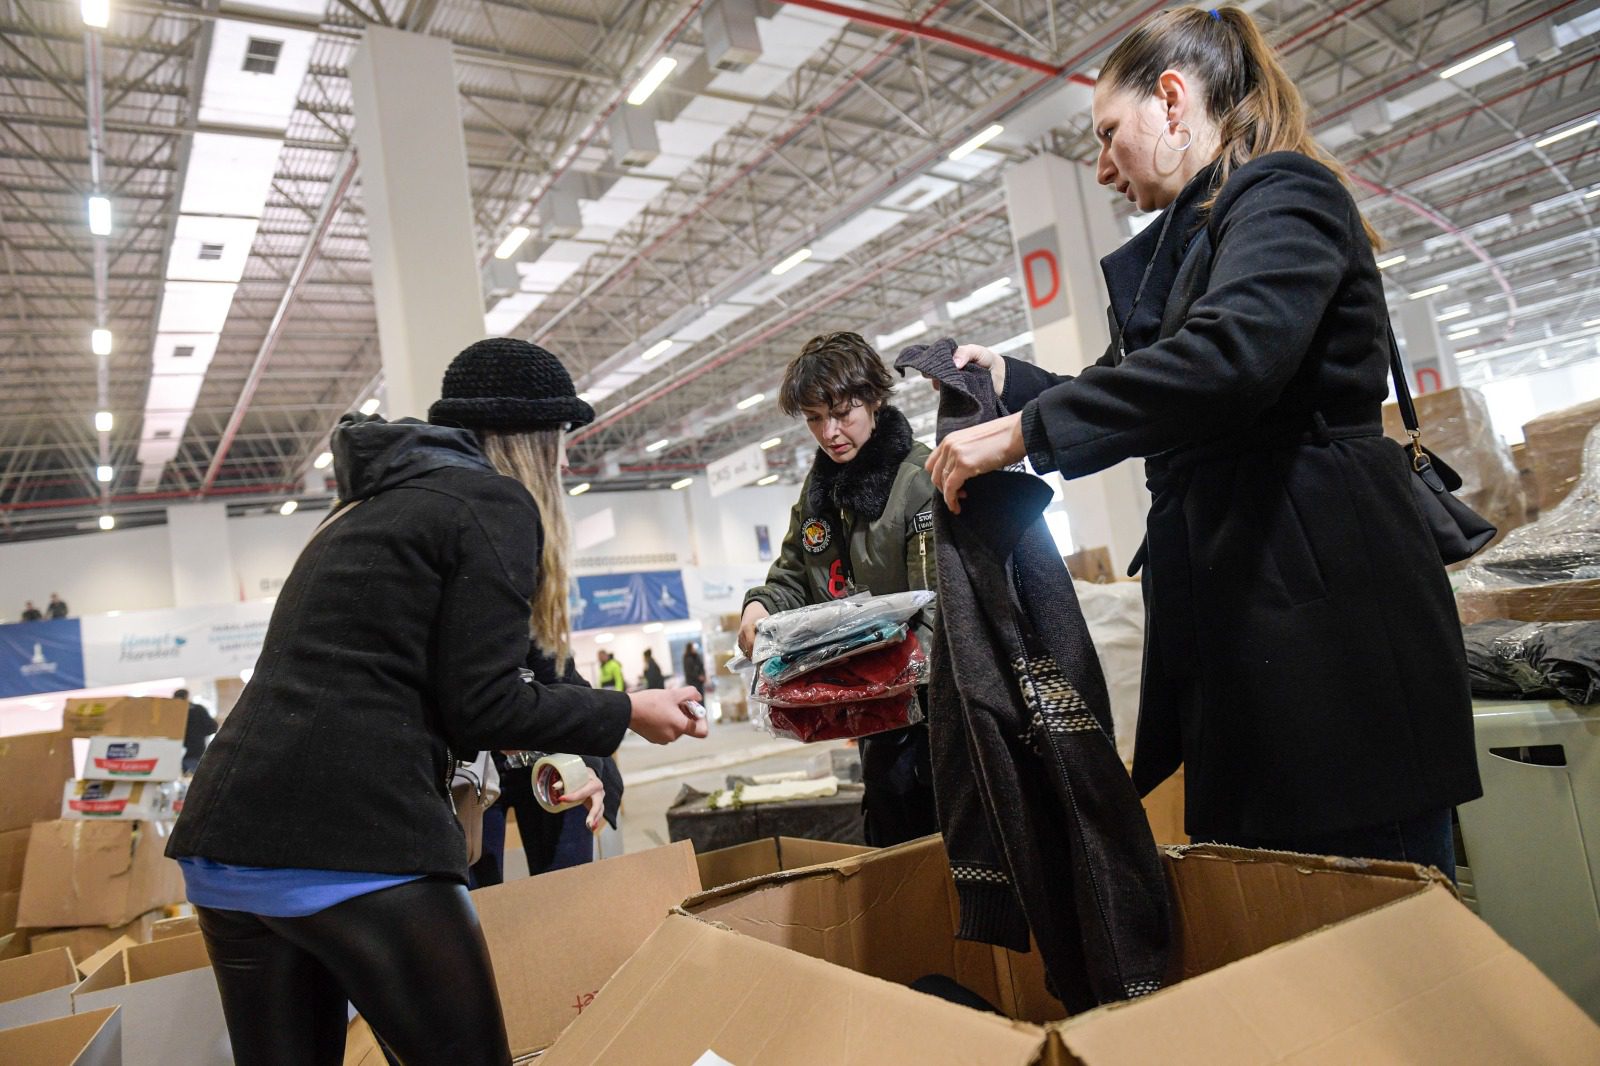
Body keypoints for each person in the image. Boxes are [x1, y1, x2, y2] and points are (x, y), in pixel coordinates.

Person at [923, 5, 1480, 877]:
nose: (1103, 168)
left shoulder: (1287, 192)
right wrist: (1012, 382)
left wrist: (1027, 434)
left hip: (1327, 634)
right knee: (1278, 904)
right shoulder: (1193, 246)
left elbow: (1229, 359)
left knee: (1383, 914)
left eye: (1110, 135)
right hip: (1247, 618)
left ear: (1173, 102)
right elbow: (1126, 385)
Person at [166, 337, 708, 1066]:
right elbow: (484, 704)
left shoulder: (369, 508)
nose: (565, 463)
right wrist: (630, 712)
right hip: (355, 838)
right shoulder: (492, 502)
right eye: (562, 444)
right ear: (535, 440)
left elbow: (494, 673)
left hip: (225, 844)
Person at [740, 331, 939, 846]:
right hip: (874, 716)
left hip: (937, 718)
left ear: (874, 399)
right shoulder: (821, 494)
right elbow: (793, 573)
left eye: (843, 413)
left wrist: (874, 679)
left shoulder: (919, 481)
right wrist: (760, 607)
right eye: (813, 418)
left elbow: (941, 611)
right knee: (892, 847)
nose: (829, 433)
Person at [177, 688, 218, 775]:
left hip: (174, 754)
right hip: (195, 751)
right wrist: (198, 733)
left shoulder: (170, 711)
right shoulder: (198, 709)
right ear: (186, 696)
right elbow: (213, 727)